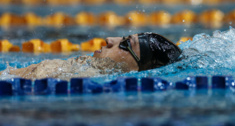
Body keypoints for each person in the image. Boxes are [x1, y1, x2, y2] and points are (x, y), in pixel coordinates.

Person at [2, 33, 182, 80]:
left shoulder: (81, 79)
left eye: (126, 43)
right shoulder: (79, 69)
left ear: (137, 69)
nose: (109, 39)